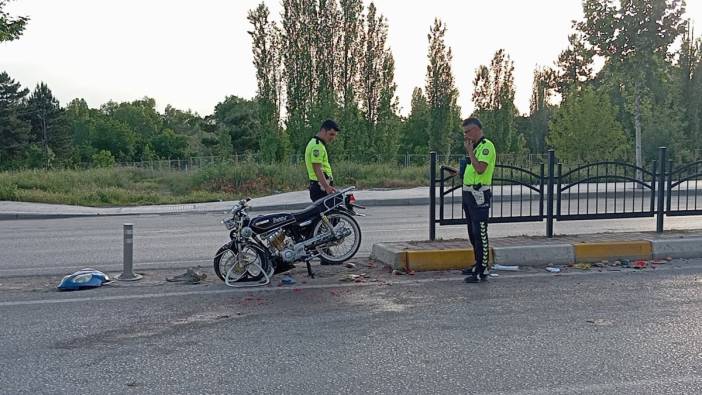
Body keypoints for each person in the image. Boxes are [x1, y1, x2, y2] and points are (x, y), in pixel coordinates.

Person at [460, 117, 496, 283]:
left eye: (468, 132)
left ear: (476, 130)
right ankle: (477, 263)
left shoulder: (486, 146)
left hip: (479, 194)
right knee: (472, 233)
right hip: (468, 193)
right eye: (464, 132)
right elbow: (471, 169)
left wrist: (470, 152)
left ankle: (482, 270)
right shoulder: (475, 148)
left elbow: (480, 169)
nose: (466, 136)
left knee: (480, 233)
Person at [305, 119, 339, 202]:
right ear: (323, 131)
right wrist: (327, 187)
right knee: (328, 213)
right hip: (320, 187)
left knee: (327, 213)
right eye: (331, 134)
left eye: (334, 135)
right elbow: (317, 168)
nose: (333, 138)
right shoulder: (317, 146)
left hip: (321, 185)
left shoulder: (318, 144)